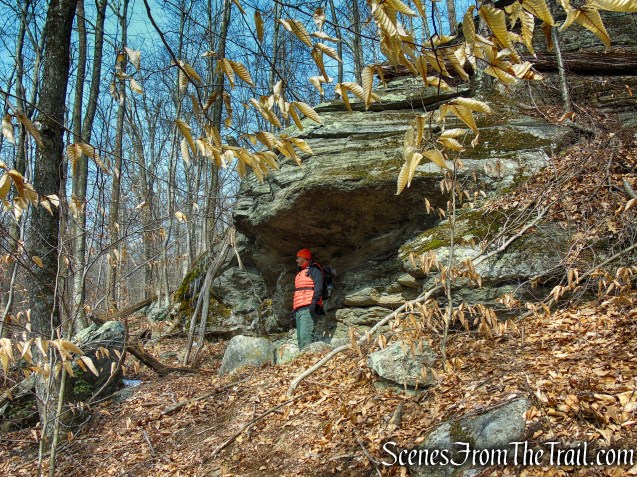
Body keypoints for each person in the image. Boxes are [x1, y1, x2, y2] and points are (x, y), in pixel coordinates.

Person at [292, 248, 323, 349]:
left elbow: (319, 286)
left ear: (305, 258)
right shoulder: (300, 273)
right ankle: (303, 361)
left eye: (298, 258)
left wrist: (314, 303)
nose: (296, 260)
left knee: (306, 337)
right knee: (300, 338)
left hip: (308, 307)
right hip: (299, 308)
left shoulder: (314, 269)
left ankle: (308, 361)